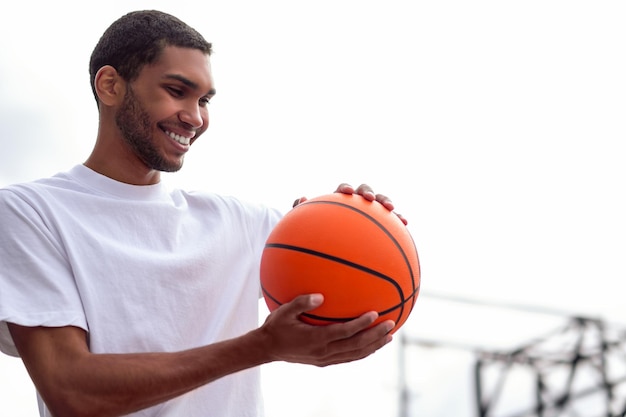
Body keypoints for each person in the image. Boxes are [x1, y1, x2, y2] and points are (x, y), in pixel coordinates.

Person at [0, 10, 407, 417]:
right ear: (110, 85)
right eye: (177, 90)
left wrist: (361, 220)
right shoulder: (32, 213)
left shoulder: (239, 225)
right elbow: (72, 392)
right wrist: (262, 346)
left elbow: (339, 261)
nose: (195, 117)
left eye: (204, 100)